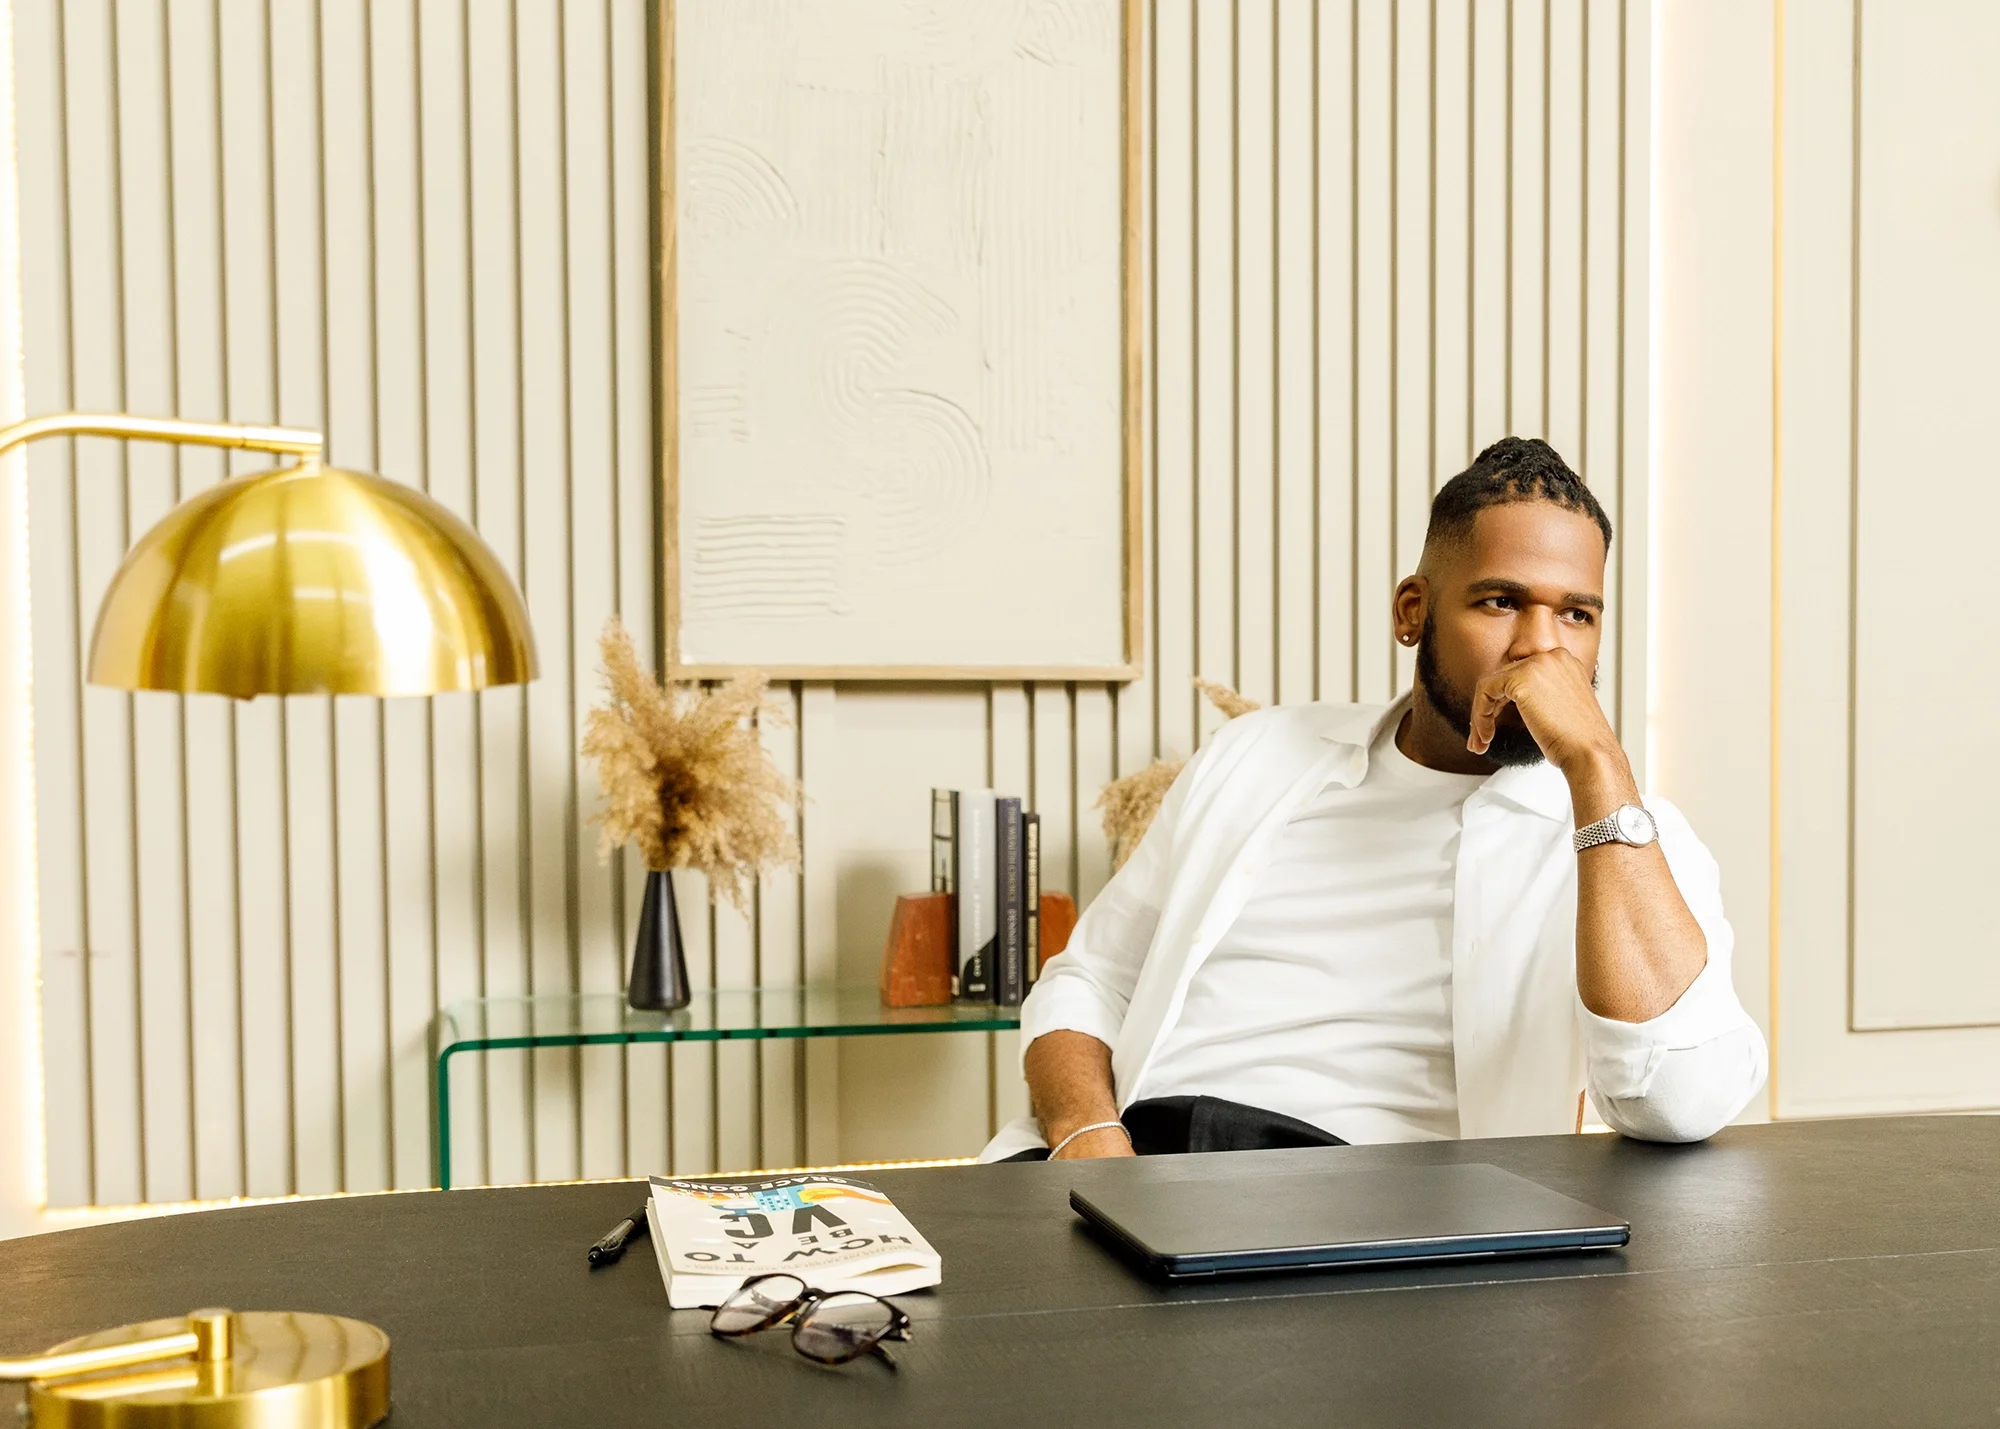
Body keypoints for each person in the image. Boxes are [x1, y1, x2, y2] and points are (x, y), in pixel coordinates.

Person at [982, 437, 1767, 1163]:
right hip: (1122, 1158)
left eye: (1576, 614)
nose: (1541, 645)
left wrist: (1596, 764)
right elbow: (1088, 980)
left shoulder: (1628, 836)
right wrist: (1086, 1132)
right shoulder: (1255, 754)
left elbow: (1678, 1099)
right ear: (1412, 611)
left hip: (1361, 1206)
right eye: (1500, 601)